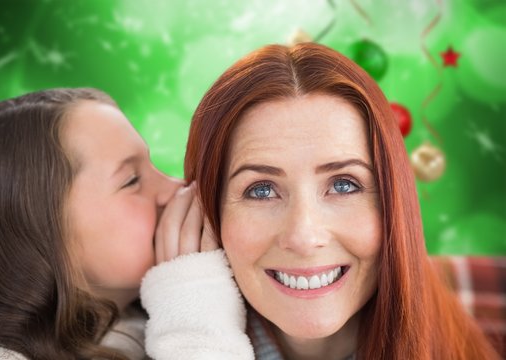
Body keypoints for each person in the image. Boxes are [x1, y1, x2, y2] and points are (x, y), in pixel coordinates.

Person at [183, 43, 501, 359]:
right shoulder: (150, 343)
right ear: (205, 213)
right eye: (261, 190)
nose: (304, 237)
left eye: (343, 185)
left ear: (393, 200)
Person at [0, 88, 253, 359]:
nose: (176, 187)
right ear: (32, 233)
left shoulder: (136, 325)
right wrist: (195, 318)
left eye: (152, 165)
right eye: (131, 180)